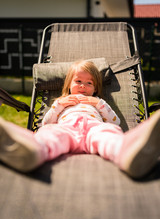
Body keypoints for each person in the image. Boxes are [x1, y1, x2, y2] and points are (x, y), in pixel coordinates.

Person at [0, 60, 160, 179]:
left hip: (93, 129)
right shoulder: (61, 101)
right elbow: (46, 123)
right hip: (66, 130)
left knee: (108, 135)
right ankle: (33, 151)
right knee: (50, 134)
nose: (83, 86)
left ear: (95, 88)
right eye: (78, 81)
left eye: (89, 83)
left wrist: (99, 104)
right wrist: (58, 106)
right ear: (69, 84)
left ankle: (126, 154)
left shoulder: (98, 102)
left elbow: (115, 123)